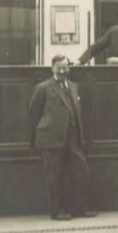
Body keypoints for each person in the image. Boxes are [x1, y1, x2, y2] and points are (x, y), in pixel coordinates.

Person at [27, 55, 95, 220]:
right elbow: (33, 113)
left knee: (82, 170)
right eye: (59, 68)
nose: (63, 71)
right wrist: (40, 134)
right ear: (53, 69)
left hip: (72, 138)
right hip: (50, 138)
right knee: (54, 176)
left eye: (66, 67)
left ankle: (80, 208)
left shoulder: (73, 86)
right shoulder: (42, 88)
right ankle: (56, 211)